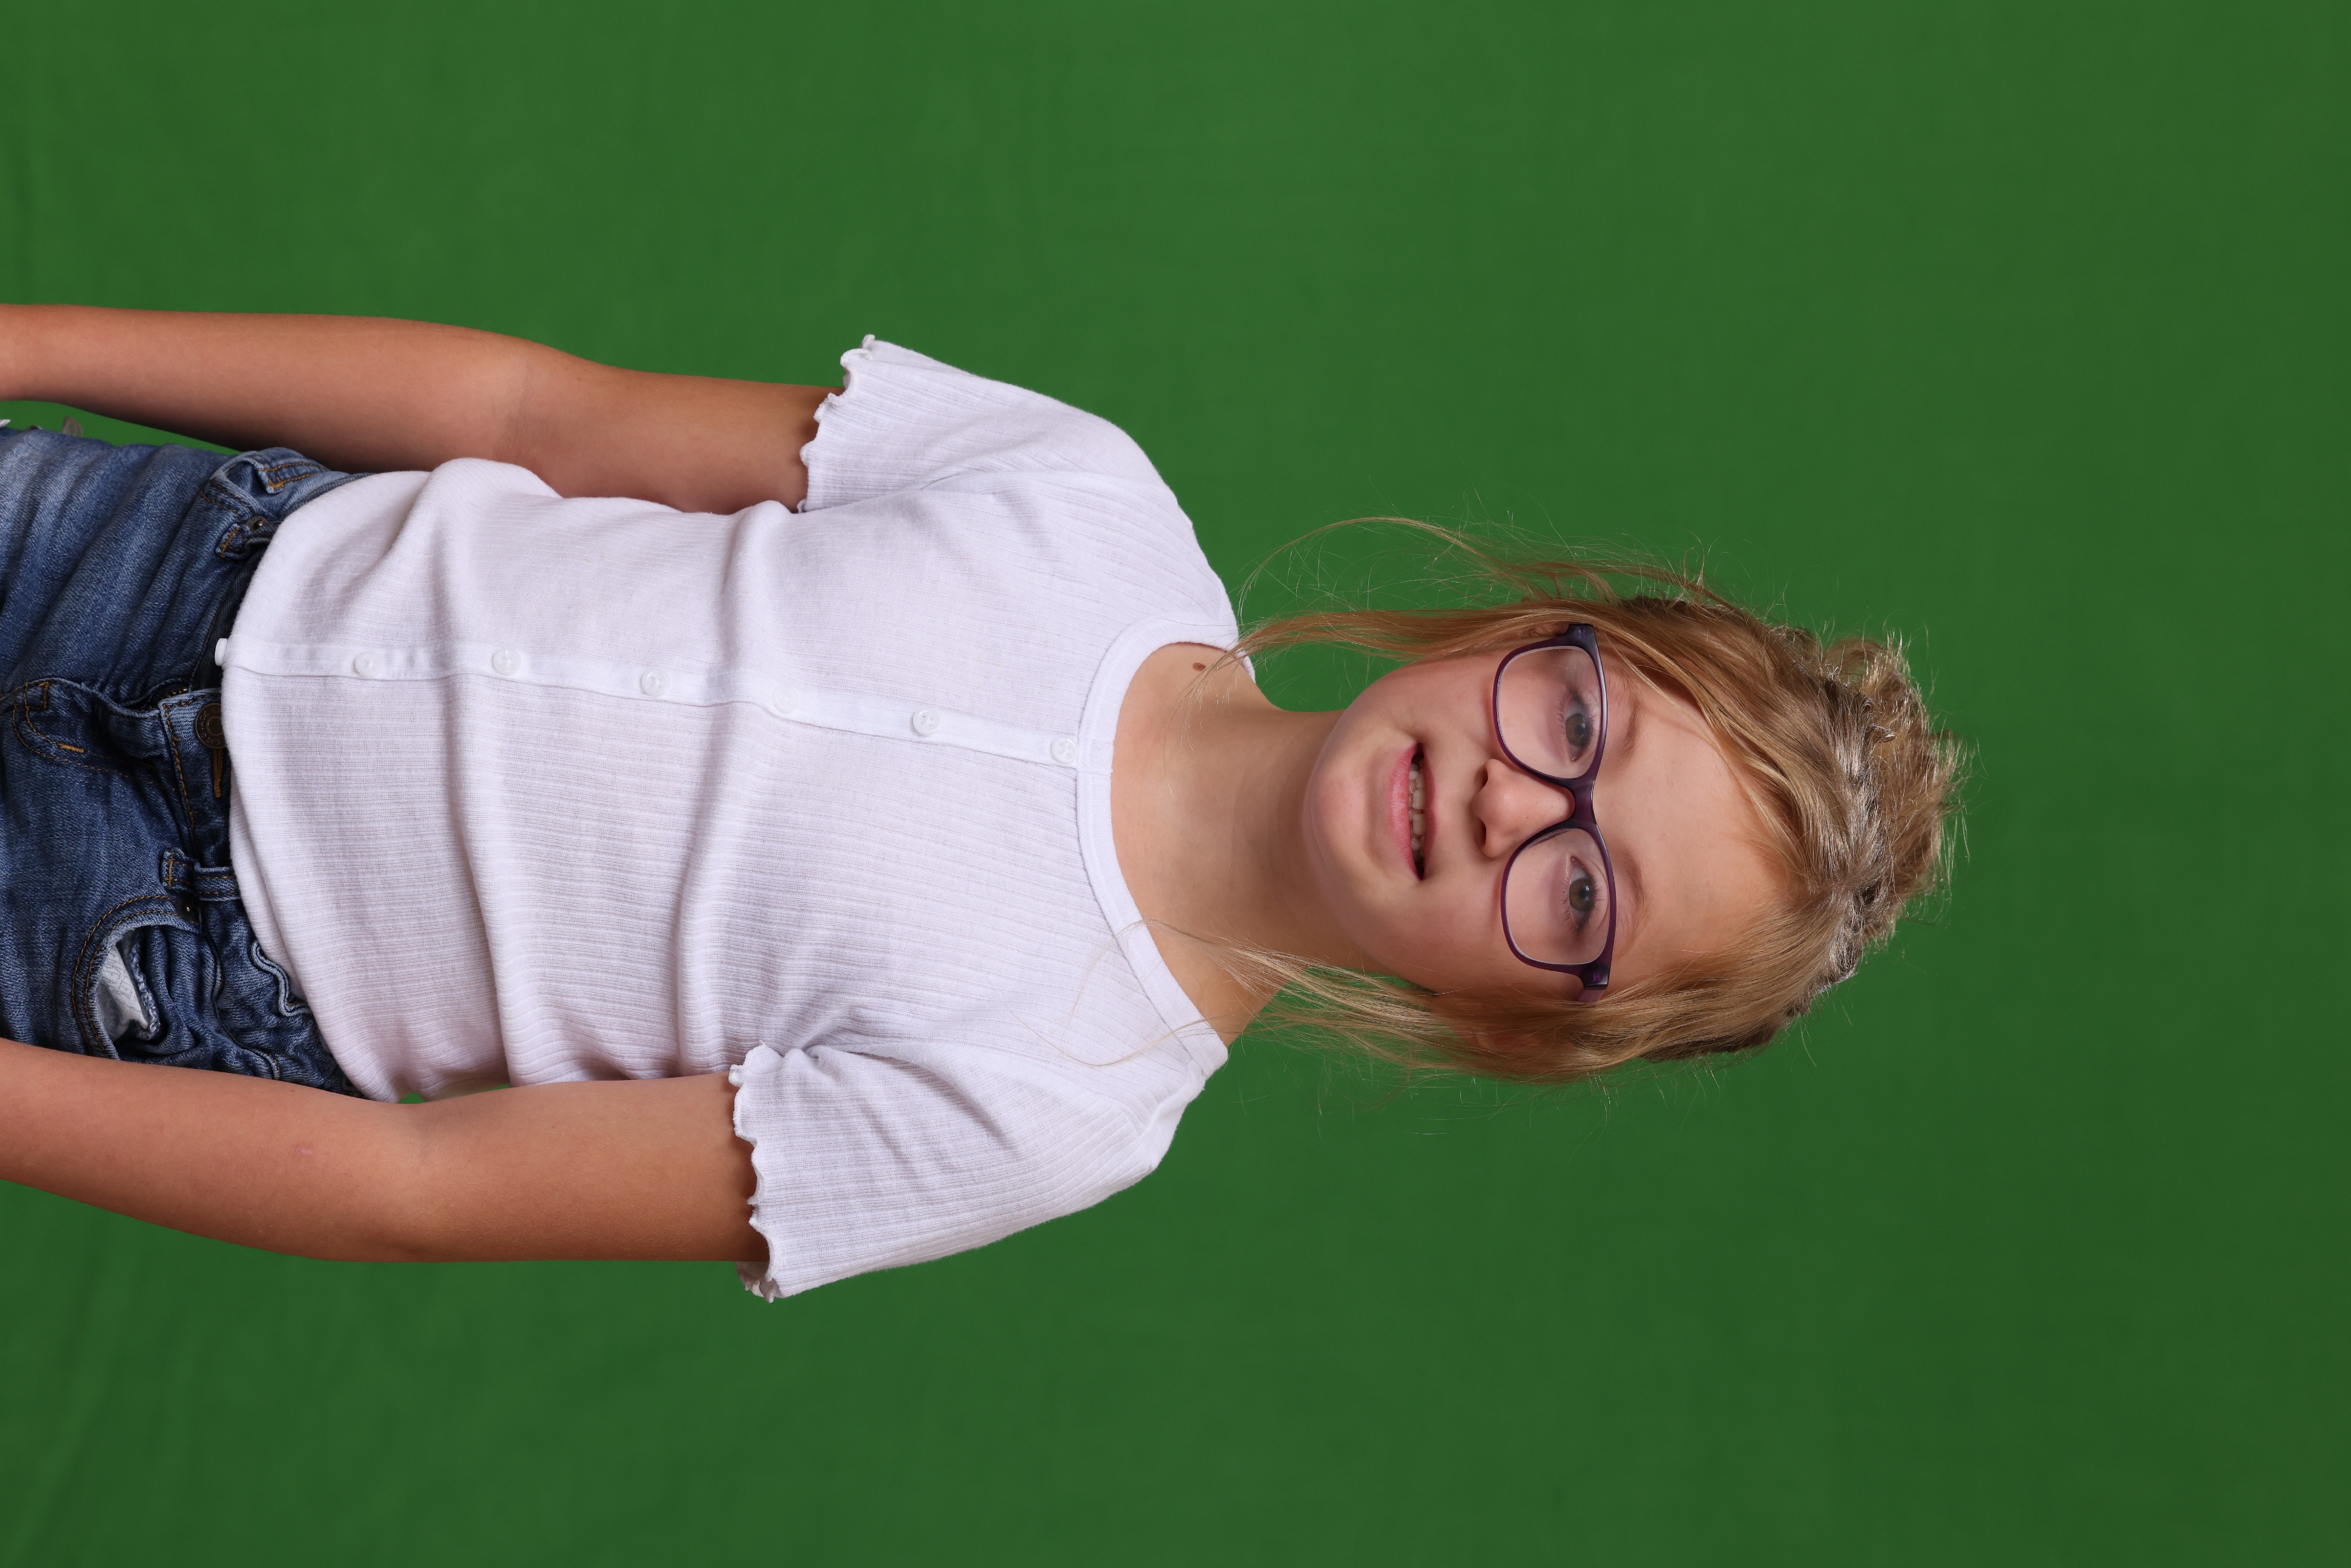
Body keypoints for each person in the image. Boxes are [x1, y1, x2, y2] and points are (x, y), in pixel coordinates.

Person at [0, 306, 1958, 1298]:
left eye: (1583, 897)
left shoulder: (1061, 1108)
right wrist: (36, 343)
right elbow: (536, 413)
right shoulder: (1089, 501)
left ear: (1525, 1020)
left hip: (149, 942)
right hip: (170, 549)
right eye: (1578, 719)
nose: (1520, 805)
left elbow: (417, 1192)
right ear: (1534, 631)